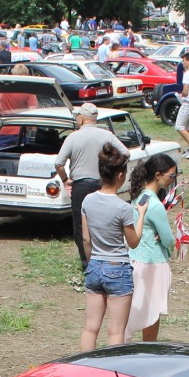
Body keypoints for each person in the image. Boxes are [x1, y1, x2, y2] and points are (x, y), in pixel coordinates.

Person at [78, 144, 143, 351]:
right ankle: (111, 373)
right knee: (116, 332)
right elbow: (133, 242)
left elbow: (86, 240)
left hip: (95, 266)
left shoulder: (88, 200)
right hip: (118, 268)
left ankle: (83, 371)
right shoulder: (123, 208)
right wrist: (140, 215)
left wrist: (91, 262)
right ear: (121, 175)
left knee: (90, 328)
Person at [54, 103, 128, 268]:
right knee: (105, 222)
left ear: (81, 118)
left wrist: (66, 179)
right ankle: (106, 257)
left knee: (80, 225)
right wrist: (112, 168)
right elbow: (126, 153)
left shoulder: (73, 137)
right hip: (102, 183)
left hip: (80, 186)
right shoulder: (106, 135)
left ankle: (86, 262)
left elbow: (59, 163)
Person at [128, 155, 177, 343]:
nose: (172, 180)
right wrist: (170, 241)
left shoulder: (139, 197)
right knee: (153, 310)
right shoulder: (155, 205)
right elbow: (167, 239)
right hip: (153, 263)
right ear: (158, 175)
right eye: (171, 176)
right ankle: (149, 347)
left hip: (135, 258)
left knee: (137, 306)